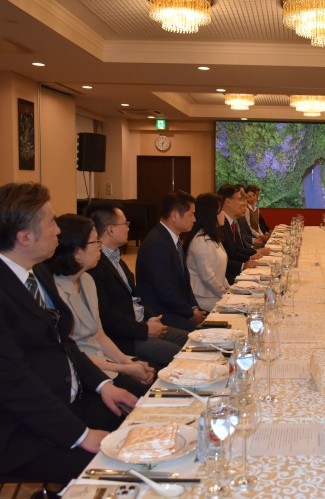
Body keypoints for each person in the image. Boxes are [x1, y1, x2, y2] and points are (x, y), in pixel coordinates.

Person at [0, 182, 136, 484]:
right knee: (120, 469)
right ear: (24, 237)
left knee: (142, 424)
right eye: (51, 222)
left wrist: (103, 385)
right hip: (24, 427)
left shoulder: (39, 272)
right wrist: (80, 435)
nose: (58, 231)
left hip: (71, 399)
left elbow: (63, 341)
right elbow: (13, 382)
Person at [48, 214, 155, 397]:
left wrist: (128, 362)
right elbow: (74, 354)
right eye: (95, 241)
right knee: (148, 394)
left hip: (105, 362)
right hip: (85, 375)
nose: (100, 246)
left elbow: (99, 334)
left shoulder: (87, 280)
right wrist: (125, 368)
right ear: (77, 252)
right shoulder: (55, 291)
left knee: (154, 377)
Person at [84, 200, 188, 367]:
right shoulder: (95, 266)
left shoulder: (116, 258)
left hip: (142, 324)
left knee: (190, 340)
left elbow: (136, 296)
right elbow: (108, 317)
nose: (128, 228)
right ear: (110, 229)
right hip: (126, 337)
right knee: (182, 356)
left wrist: (152, 318)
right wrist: (145, 330)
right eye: (125, 223)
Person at [135, 190, 206, 332]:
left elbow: (185, 282)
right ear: (174, 215)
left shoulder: (173, 239)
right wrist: (190, 313)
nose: (194, 219)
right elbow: (165, 292)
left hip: (176, 308)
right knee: (205, 334)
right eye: (191, 214)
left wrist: (193, 308)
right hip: (161, 314)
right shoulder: (156, 244)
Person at [184, 193, 230, 311]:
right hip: (203, 297)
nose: (224, 214)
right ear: (211, 215)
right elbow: (208, 277)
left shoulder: (211, 236)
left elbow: (219, 271)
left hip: (214, 294)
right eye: (220, 211)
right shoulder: (201, 240)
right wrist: (225, 294)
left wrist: (228, 289)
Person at [218, 184, 261, 283]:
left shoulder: (230, 222)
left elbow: (236, 249)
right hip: (227, 278)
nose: (242, 203)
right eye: (239, 199)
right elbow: (226, 257)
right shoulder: (221, 224)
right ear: (228, 202)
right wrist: (243, 265)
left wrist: (252, 255)